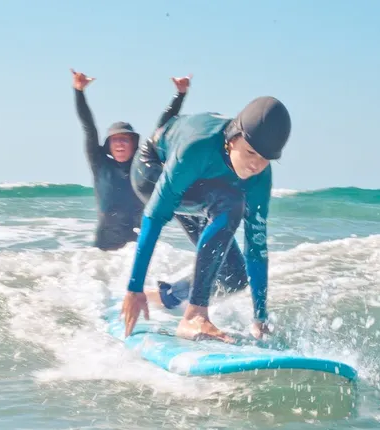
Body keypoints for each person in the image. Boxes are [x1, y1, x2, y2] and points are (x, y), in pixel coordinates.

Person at [119, 95, 292, 343]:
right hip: (152, 168)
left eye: (265, 159)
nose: (256, 165)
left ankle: (165, 297)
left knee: (234, 276)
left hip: (205, 182)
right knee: (231, 202)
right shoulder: (197, 147)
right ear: (233, 138)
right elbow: (154, 217)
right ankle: (194, 315)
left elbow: (256, 247)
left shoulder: (260, 176)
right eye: (250, 153)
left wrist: (260, 318)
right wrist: (133, 289)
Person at [71, 68, 191, 251]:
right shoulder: (100, 164)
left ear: (134, 144)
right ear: (108, 145)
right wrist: (79, 91)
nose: (120, 143)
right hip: (103, 250)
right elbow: (89, 127)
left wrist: (180, 94)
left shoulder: (142, 162)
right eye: (115, 139)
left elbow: (162, 127)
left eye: (125, 139)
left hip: (136, 245)